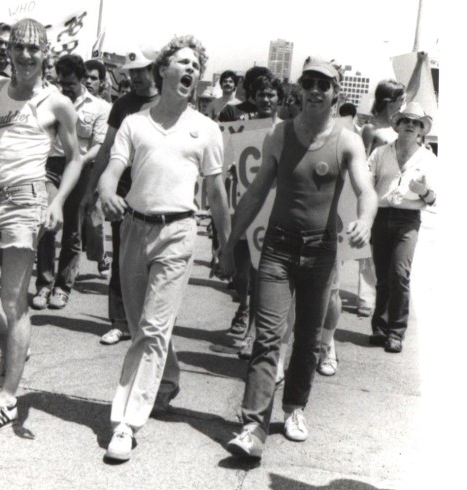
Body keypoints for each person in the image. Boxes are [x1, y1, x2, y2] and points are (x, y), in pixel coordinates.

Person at [218, 57, 377, 460]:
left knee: (307, 338)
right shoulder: (279, 135)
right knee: (269, 336)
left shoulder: (347, 140)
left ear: (335, 93)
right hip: (278, 248)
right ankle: (253, 426)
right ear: (299, 89)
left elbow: (366, 190)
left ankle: (294, 409)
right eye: (309, 82)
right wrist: (230, 242)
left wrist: (365, 220)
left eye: (324, 84)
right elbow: (255, 193)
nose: (315, 90)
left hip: (321, 253)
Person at [97, 35, 231, 462]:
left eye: (196, 64)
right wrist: (105, 193)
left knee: (152, 329)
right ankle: (167, 379)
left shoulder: (206, 129)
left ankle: (126, 422)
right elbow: (111, 171)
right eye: (183, 62)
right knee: (143, 327)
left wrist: (225, 246)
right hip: (134, 230)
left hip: (178, 232)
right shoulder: (136, 123)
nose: (191, 70)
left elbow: (216, 193)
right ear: (164, 70)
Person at [0, 18, 81, 430]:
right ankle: (10, 345)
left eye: (34, 48)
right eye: (19, 47)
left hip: (24, 201)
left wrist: (58, 201)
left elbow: (76, 158)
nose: (26, 55)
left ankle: (8, 397)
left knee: (14, 302)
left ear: (45, 52)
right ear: (8, 50)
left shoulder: (56, 102)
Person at [81, 47, 160, 345]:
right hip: (123, 193)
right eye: (132, 72)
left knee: (154, 260)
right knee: (122, 260)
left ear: (156, 70)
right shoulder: (123, 105)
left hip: (156, 190)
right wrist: (91, 189)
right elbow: (107, 149)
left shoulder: (168, 102)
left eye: (142, 70)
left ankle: (149, 321)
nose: (137, 77)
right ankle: (120, 321)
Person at [212, 73, 284, 355]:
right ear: (253, 98)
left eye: (271, 95)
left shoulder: (286, 131)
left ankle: (253, 329)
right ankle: (244, 305)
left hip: (270, 212)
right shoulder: (239, 129)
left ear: (280, 99)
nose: (266, 100)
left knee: (259, 274)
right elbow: (222, 166)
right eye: (261, 95)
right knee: (241, 273)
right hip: (240, 207)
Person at [32, 54, 110, 310]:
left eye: (70, 85)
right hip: (49, 167)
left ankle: (63, 287)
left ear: (83, 79)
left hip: (80, 169)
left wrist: (77, 160)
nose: (65, 90)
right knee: (48, 224)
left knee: (73, 232)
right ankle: (43, 285)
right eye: (61, 84)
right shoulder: (50, 101)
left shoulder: (99, 107)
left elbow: (100, 144)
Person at [368, 101, 436, 353]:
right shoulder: (380, 153)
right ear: (397, 125)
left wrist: (424, 191)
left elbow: (433, 199)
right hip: (381, 216)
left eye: (416, 122)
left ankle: (396, 332)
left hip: (408, 221)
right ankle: (379, 327)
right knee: (383, 276)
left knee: (399, 274)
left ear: (421, 130)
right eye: (405, 120)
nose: (410, 125)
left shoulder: (428, 158)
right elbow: (366, 182)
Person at [356, 80, 406, 317]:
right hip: (373, 195)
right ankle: (366, 299)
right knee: (369, 251)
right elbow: (361, 163)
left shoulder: (401, 128)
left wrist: (420, 63)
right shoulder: (371, 129)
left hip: (395, 196)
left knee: (388, 256)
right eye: (400, 99)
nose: (403, 103)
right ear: (389, 100)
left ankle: (381, 303)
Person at [83, 58, 112, 276]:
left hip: (94, 166)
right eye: (86, 77)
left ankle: (101, 256)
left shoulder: (106, 108)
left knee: (93, 219)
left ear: (102, 82)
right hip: (67, 167)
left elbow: (104, 145)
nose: (88, 81)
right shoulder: (69, 102)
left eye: (94, 78)